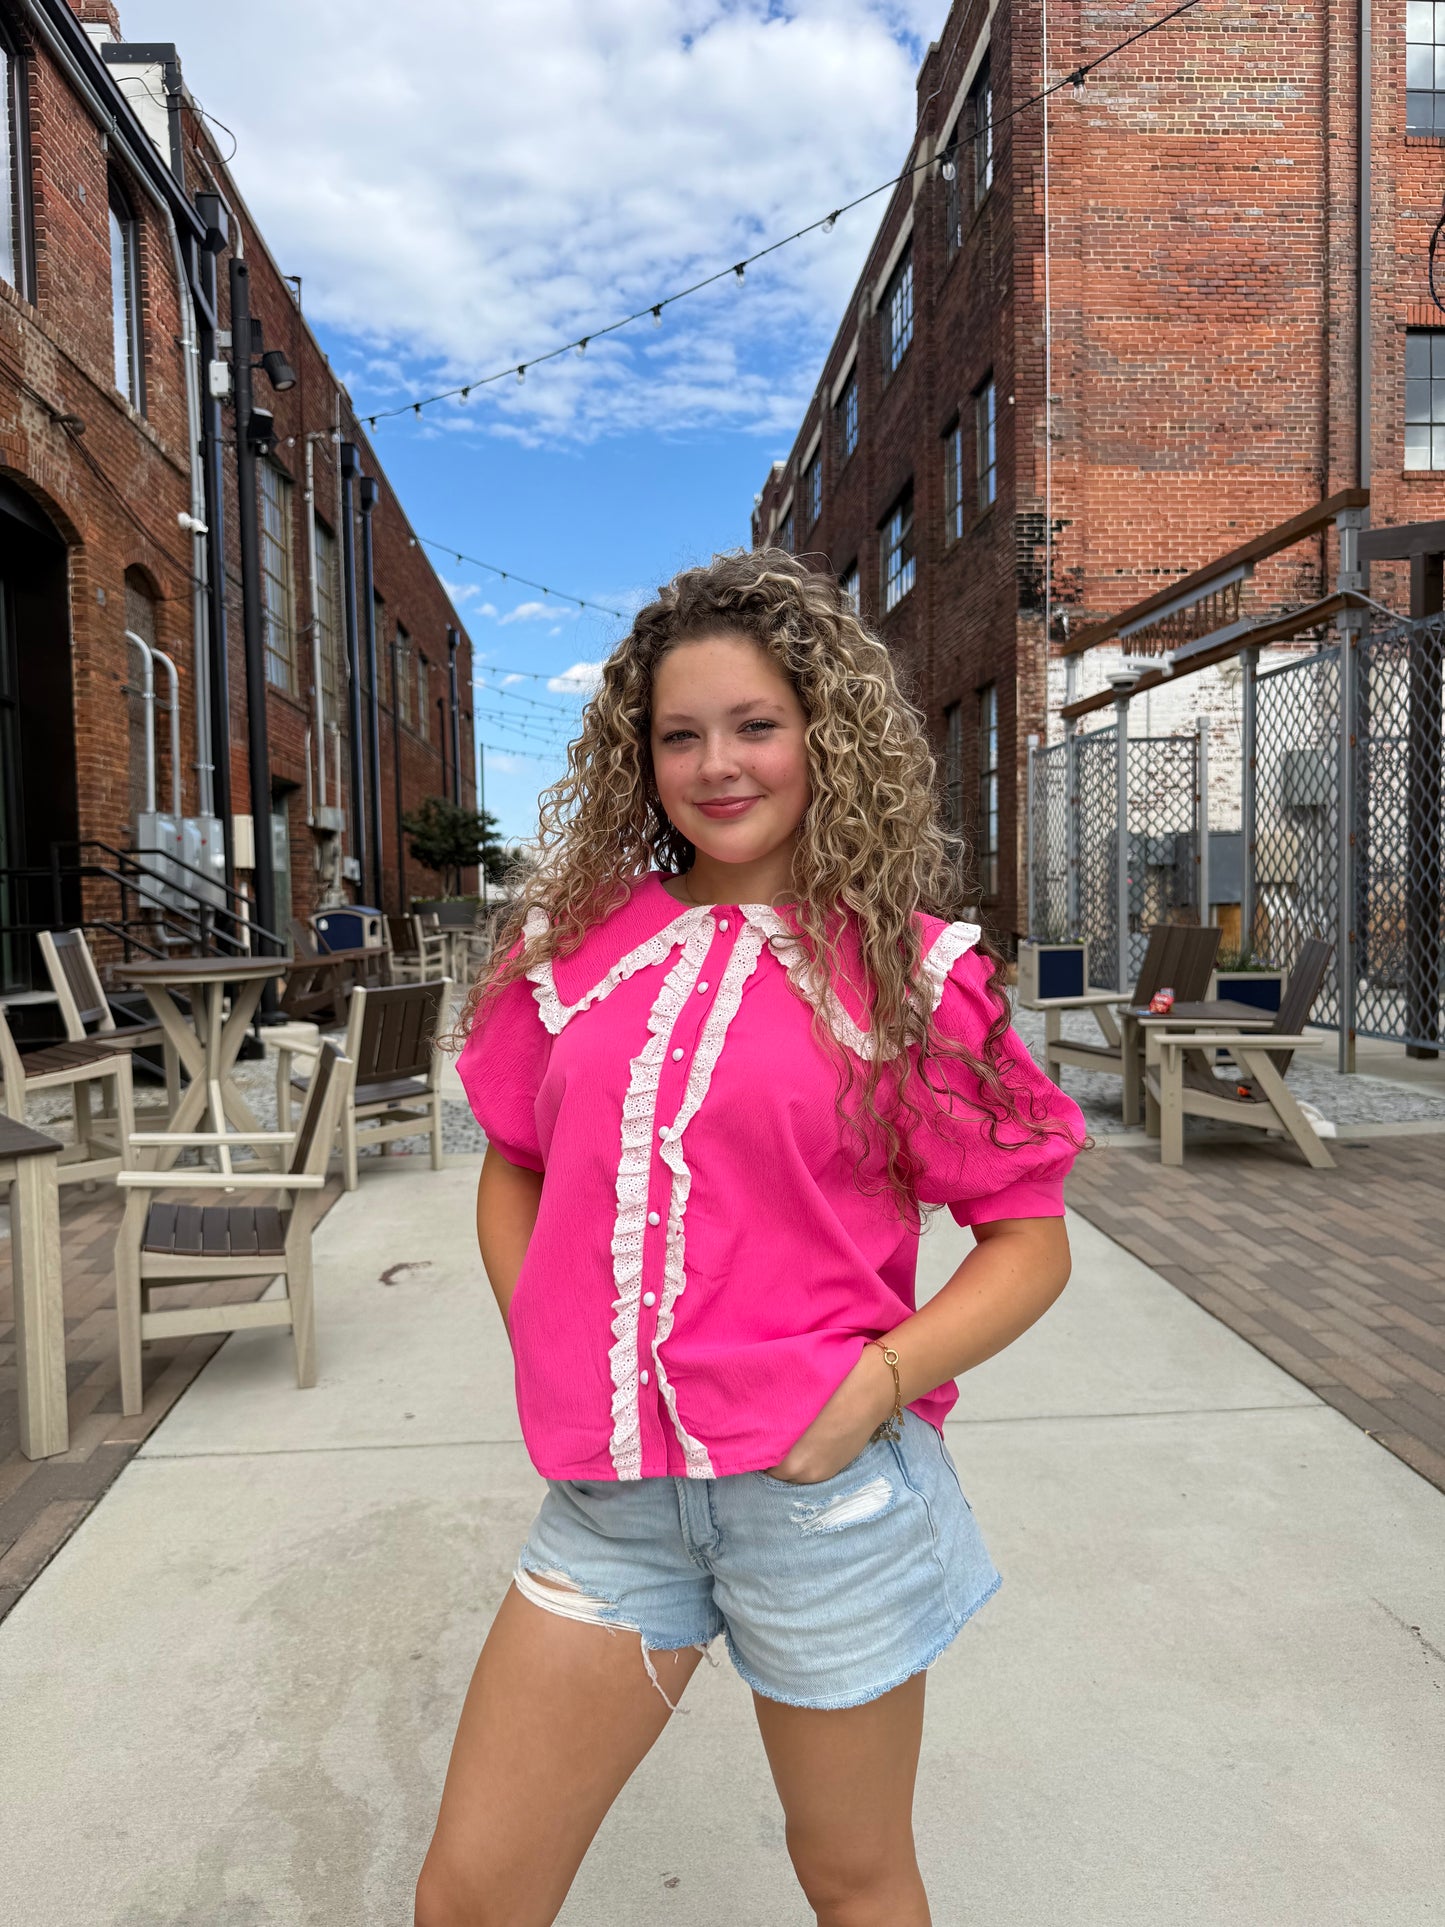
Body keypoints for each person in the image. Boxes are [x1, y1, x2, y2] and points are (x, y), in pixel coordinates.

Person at [416, 550, 1085, 1927]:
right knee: (472, 1896)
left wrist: (871, 1390)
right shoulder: (574, 953)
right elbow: (515, 1170)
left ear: (820, 735)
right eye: (679, 734)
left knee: (851, 1880)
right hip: (612, 1506)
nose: (716, 765)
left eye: (753, 725)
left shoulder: (906, 978)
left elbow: (1027, 1239)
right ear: (639, 756)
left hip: (822, 1500)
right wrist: (544, 1328)